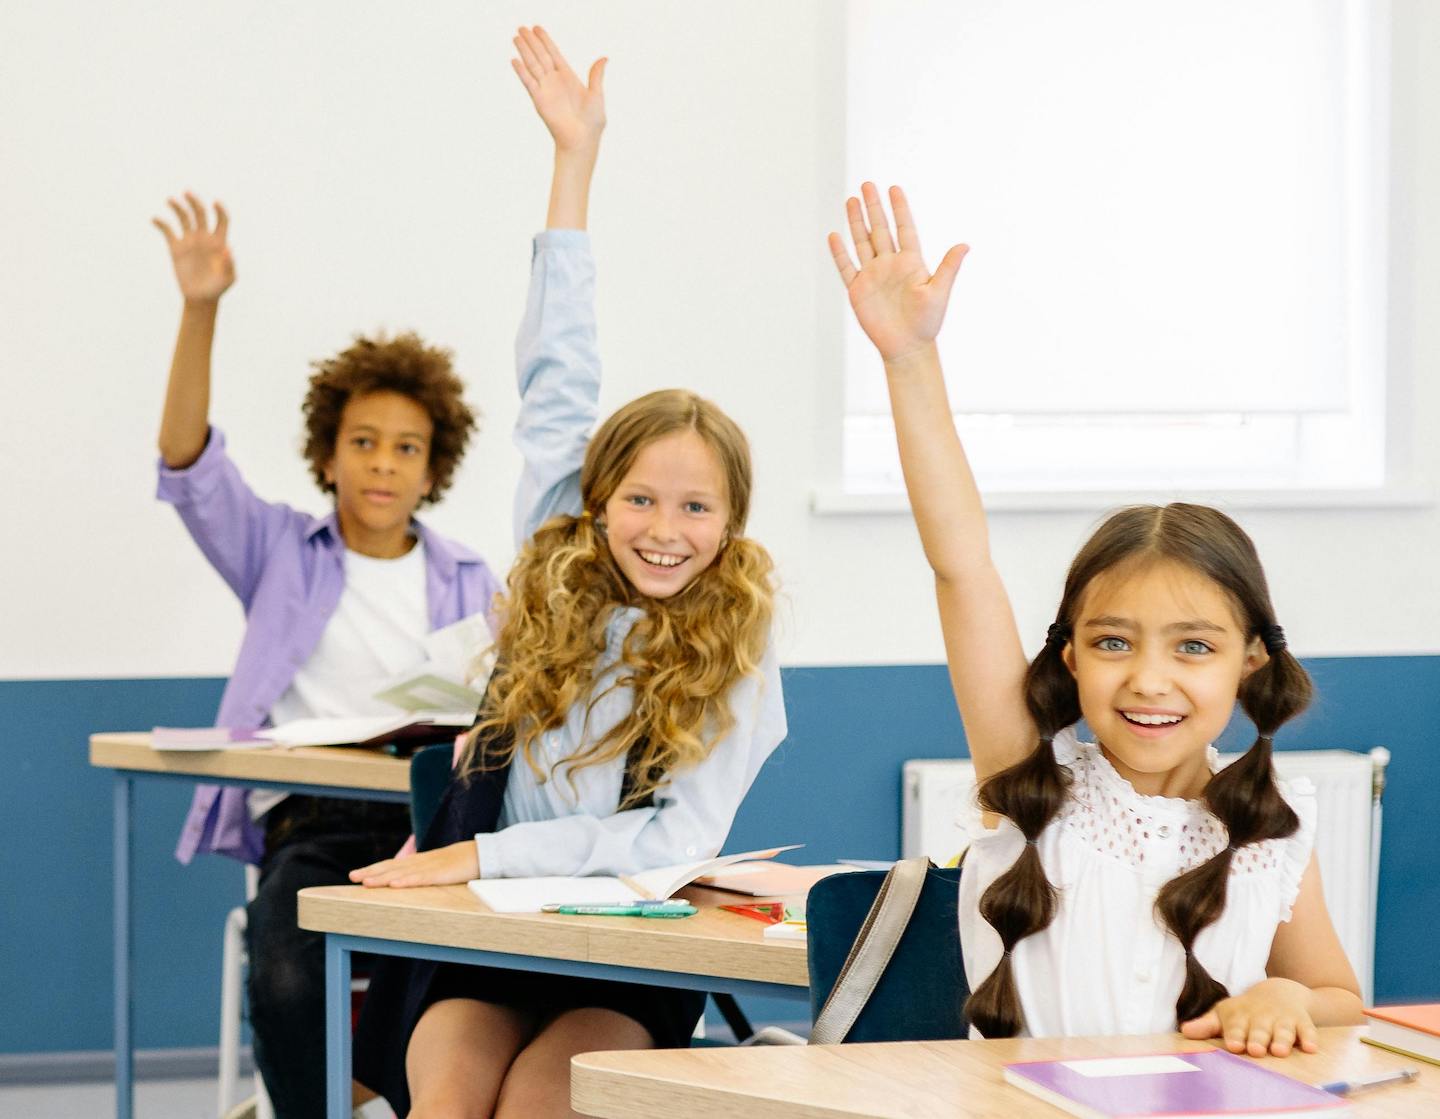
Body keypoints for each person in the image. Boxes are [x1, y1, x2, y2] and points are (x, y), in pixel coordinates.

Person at [346, 27, 787, 1118]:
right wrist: (572, 166)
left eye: (696, 508)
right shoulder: (560, 554)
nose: (664, 529)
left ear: (731, 526)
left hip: (621, 952)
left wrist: (485, 856)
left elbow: (669, 841)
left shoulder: (740, 643)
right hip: (491, 936)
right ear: (596, 505)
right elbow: (558, 370)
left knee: (543, 1102)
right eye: (639, 499)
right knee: (447, 1098)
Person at [829, 183, 1364, 1055]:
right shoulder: (1036, 782)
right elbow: (961, 566)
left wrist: (1281, 992)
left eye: (1194, 646)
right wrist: (909, 362)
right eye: (1114, 641)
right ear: (1071, 656)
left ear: (1252, 661)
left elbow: (1340, 994)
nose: (1149, 678)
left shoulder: (1271, 824)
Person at [152, 194, 501, 1118]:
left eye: (406, 448)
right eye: (363, 443)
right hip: (309, 829)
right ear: (329, 454)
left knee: (469, 981)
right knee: (286, 974)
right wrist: (201, 309)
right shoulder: (278, 552)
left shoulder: (472, 577)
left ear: (435, 466)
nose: (383, 464)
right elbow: (188, 466)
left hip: (429, 827)